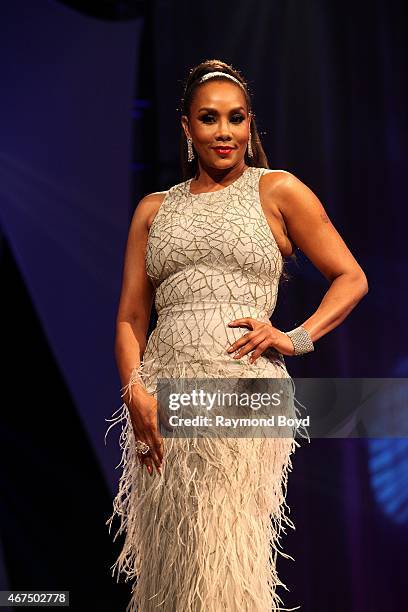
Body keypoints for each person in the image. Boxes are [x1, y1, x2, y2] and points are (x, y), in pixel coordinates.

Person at [105, 59, 368, 612]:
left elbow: (351, 278)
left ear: (251, 125)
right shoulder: (153, 210)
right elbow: (131, 317)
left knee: (220, 556)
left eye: (236, 118)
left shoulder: (277, 190)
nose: (224, 132)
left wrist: (295, 337)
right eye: (209, 119)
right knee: (173, 567)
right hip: (161, 402)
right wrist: (135, 393)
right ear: (186, 127)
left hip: (242, 392)